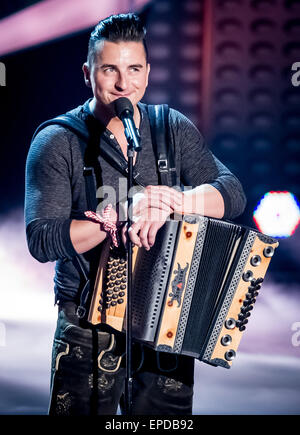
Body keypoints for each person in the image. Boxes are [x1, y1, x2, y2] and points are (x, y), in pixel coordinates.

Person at [25, 13, 246, 416]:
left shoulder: (171, 127)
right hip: (87, 324)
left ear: (148, 71)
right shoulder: (58, 140)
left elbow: (232, 193)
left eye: (134, 69)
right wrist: (120, 214)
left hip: (167, 319)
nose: (124, 84)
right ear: (87, 72)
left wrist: (171, 200)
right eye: (110, 69)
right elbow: (42, 239)